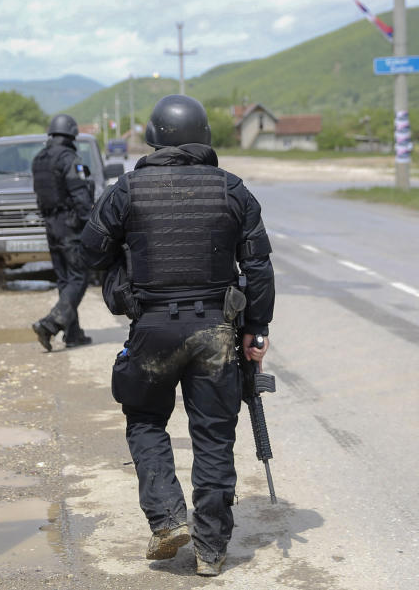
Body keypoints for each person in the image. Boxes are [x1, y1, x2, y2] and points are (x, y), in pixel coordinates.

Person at [80, 95, 275, 577]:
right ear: (203, 136)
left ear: (155, 138)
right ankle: (210, 550)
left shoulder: (126, 190)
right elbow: (258, 267)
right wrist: (256, 329)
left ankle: (167, 518)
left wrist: (121, 278)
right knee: (213, 436)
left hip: (151, 328)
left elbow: (89, 251)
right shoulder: (233, 190)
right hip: (216, 332)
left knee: (146, 421)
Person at [31, 113, 94, 351]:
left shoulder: (39, 159)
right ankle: (50, 324)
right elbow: (80, 194)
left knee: (65, 279)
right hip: (70, 226)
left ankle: (73, 333)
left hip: (51, 225)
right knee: (79, 277)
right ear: (71, 134)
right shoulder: (69, 158)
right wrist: (91, 225)